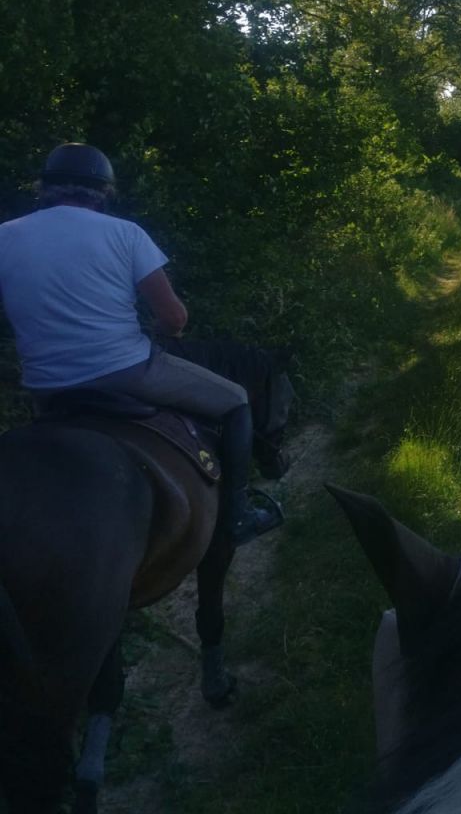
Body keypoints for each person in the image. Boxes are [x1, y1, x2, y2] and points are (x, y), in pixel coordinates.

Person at [0, 142, 282, 546]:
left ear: (44, 188)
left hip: (47, 388)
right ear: (104, 192)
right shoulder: (125, 233)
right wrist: (164, 333)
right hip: (126, 371)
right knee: (236, 401)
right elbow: (175, 317)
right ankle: (238, 515)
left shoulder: (5, 237)